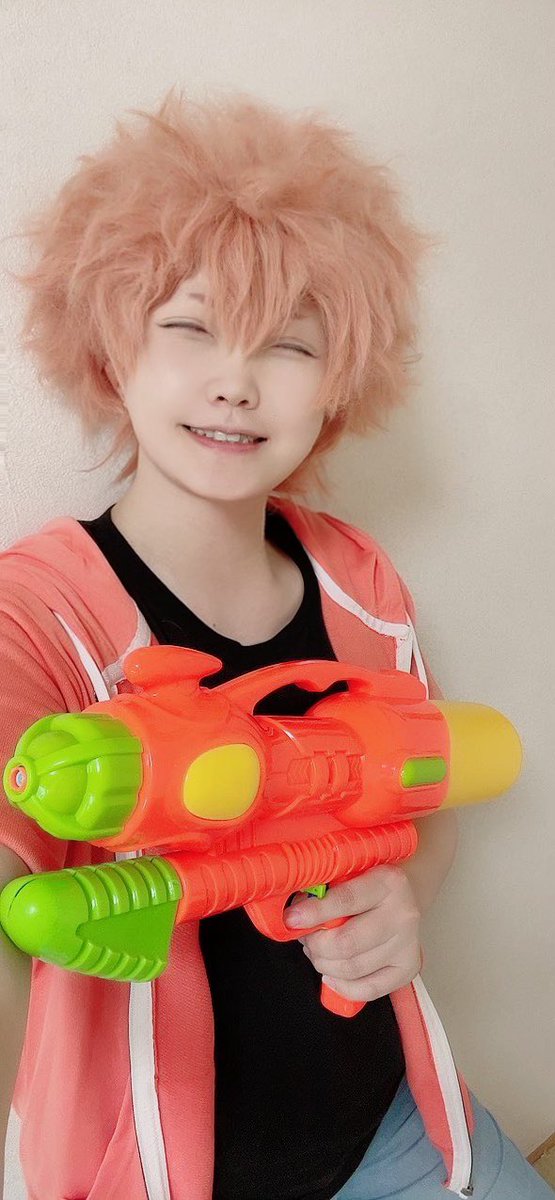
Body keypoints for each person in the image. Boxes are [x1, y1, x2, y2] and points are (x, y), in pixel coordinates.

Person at [0, 87, 550, 1200]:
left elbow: (425, 798)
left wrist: (402, 895)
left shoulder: (361, 582)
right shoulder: (33, 614)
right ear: (110, 346)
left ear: (337, 384)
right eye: (190, 325)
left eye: (289, 344)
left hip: (404, 1130)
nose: (235, 382)